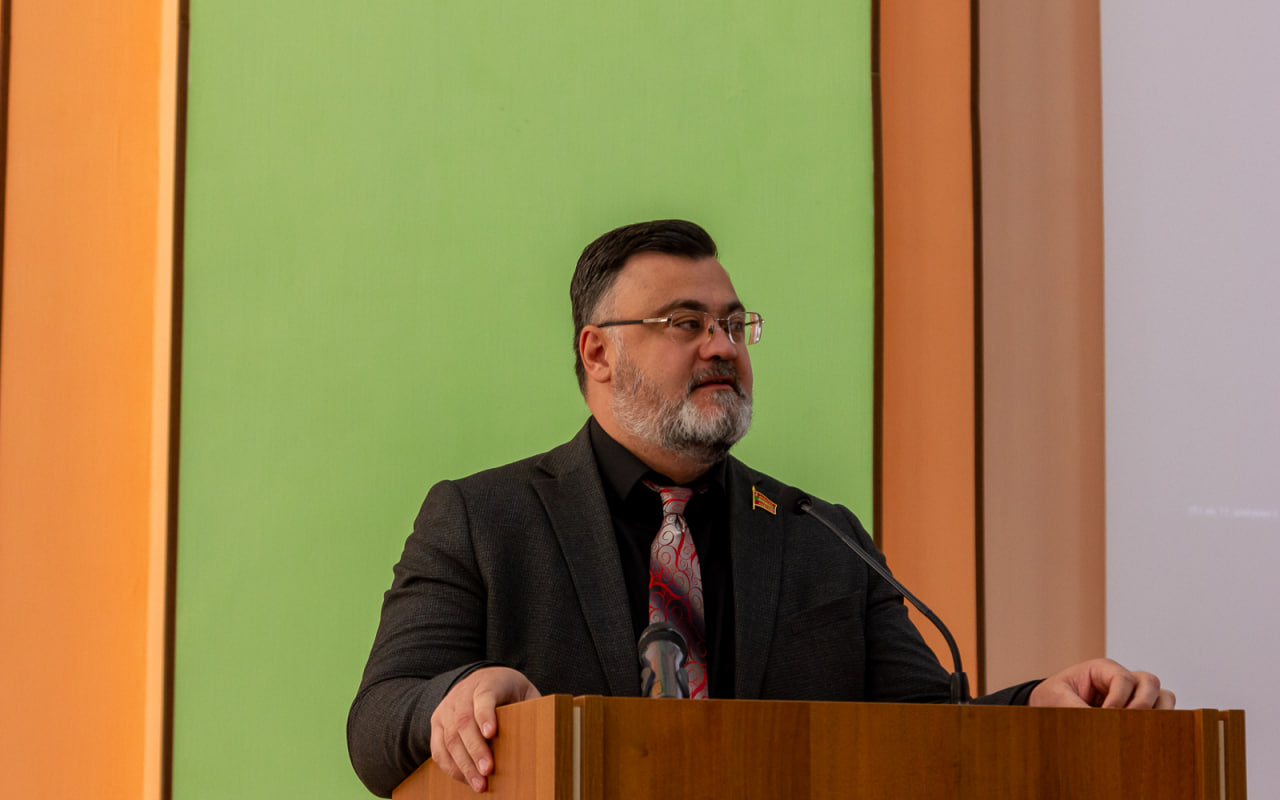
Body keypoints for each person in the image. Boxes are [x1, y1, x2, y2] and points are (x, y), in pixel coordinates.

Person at [347, 220, 1174, 797]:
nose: (722, 346)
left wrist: (1036, 707)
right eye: (686, 323)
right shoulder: (484, 519)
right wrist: (455, 695)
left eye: (734, 323)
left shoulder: (824, 536)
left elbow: (929, 732)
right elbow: (377, 722)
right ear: (597, 352)